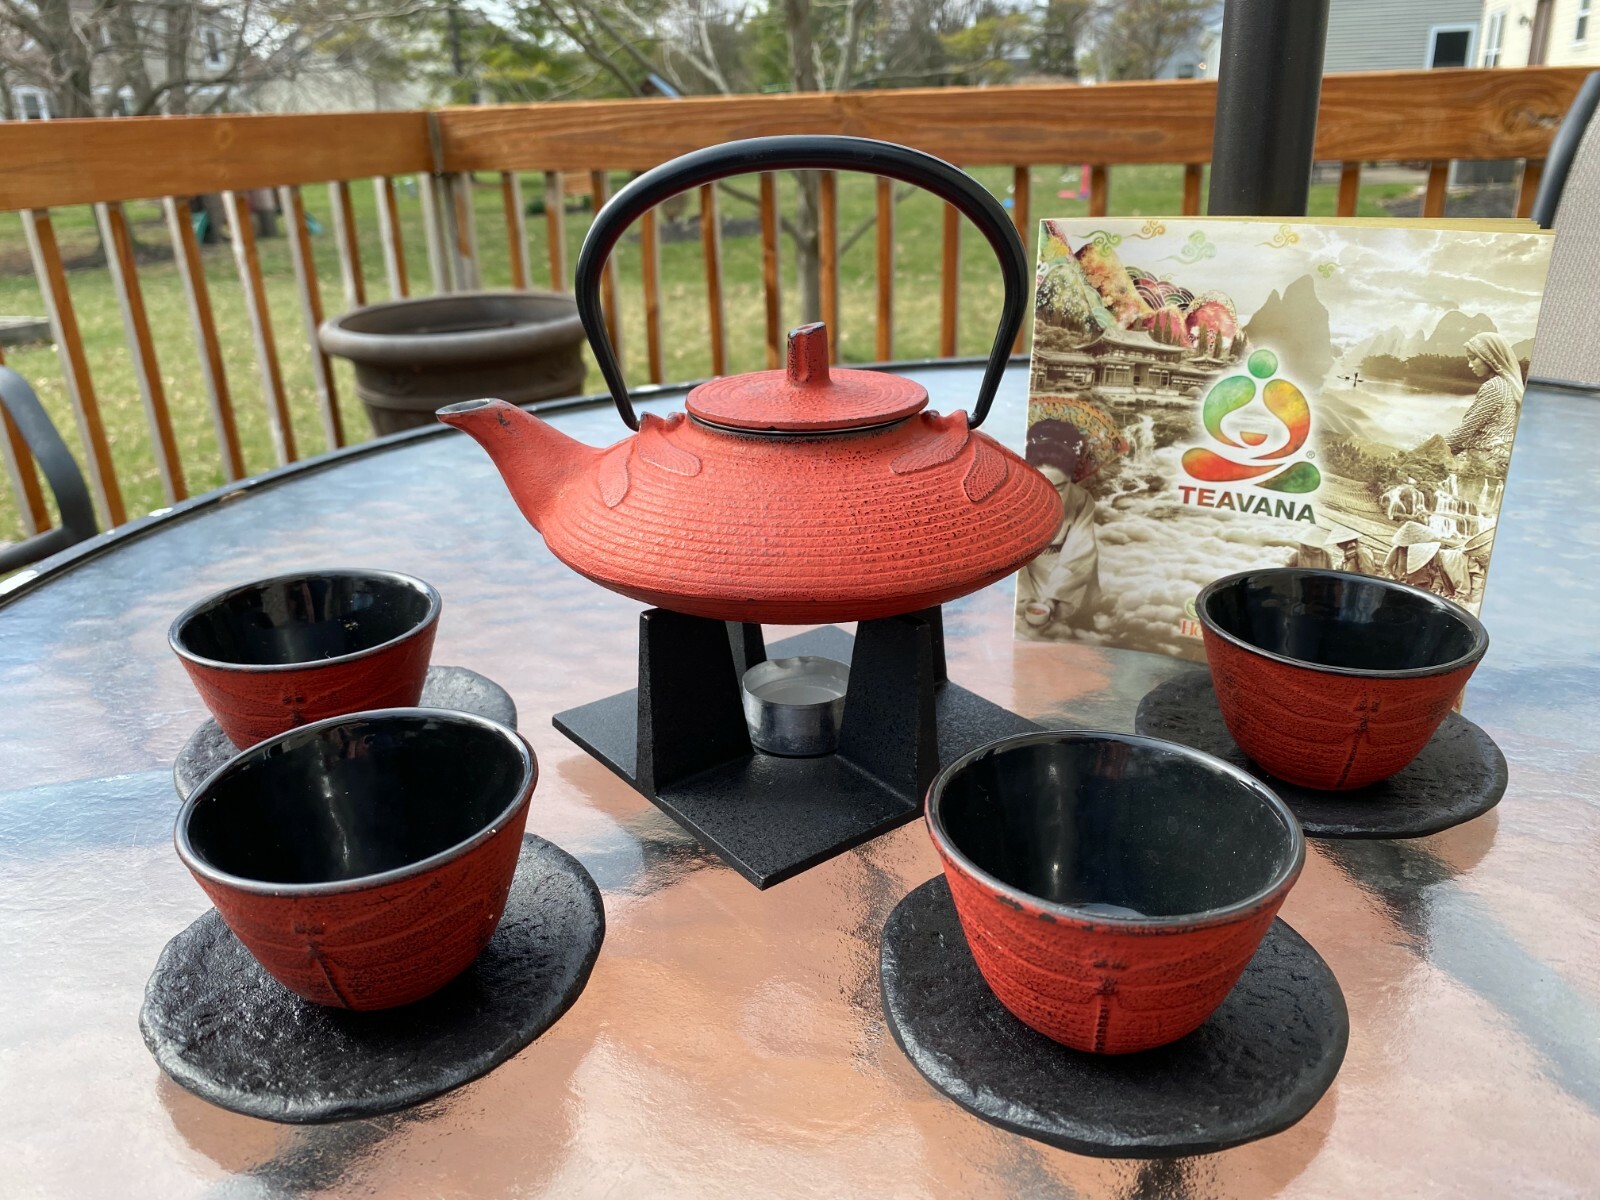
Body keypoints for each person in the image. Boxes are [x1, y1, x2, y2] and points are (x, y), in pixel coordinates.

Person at [1017, 419, 1102, 630]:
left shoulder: (1081, 499)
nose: (1051, 497)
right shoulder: (1016, 499)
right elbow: (1010, 560)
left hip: (1071, 583)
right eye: (1042, 486)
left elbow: (1080, 555)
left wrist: (1053, 599)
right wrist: (1025, 600)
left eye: (1060, 488)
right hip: (1027, 578)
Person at [1445, 331, 1524, 472]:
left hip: (1484, 464)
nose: (1470, 365)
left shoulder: (1494, 386)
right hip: (1499, 461)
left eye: (1473, 358)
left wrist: (1434, 447)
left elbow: (1465, 431)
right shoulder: (1507, 385)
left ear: (1489, 357)